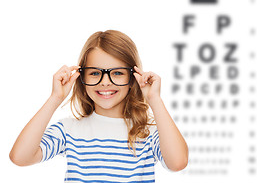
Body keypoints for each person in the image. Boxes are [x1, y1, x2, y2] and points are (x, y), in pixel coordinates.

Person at [9, 30, 188, 182]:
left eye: (117, 73)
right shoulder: (69, 130)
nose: (105, 82)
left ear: (133, 77)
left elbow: (178, 163)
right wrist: (55, 98)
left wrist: (154, 99)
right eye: (95, 73)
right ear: (82, 77)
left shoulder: (147, 134)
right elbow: (20, 157)